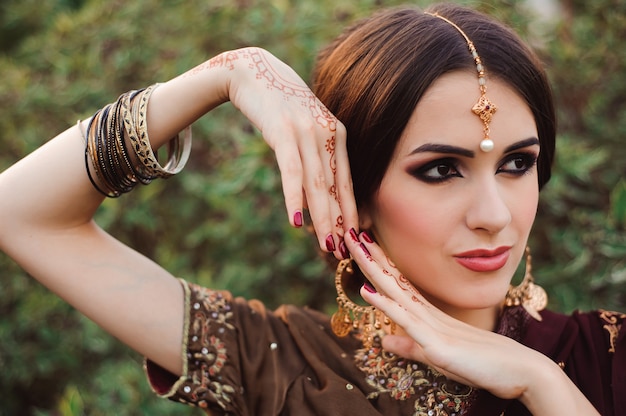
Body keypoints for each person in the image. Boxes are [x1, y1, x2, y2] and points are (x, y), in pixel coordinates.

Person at [0, 2, 623, 415]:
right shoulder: (281, 368)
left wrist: (542, 385)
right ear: (352, 186)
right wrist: (231, 74)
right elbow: (18, 212)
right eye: (441, 170)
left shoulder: (609, 358)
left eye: (517, 164)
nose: (495, 213)